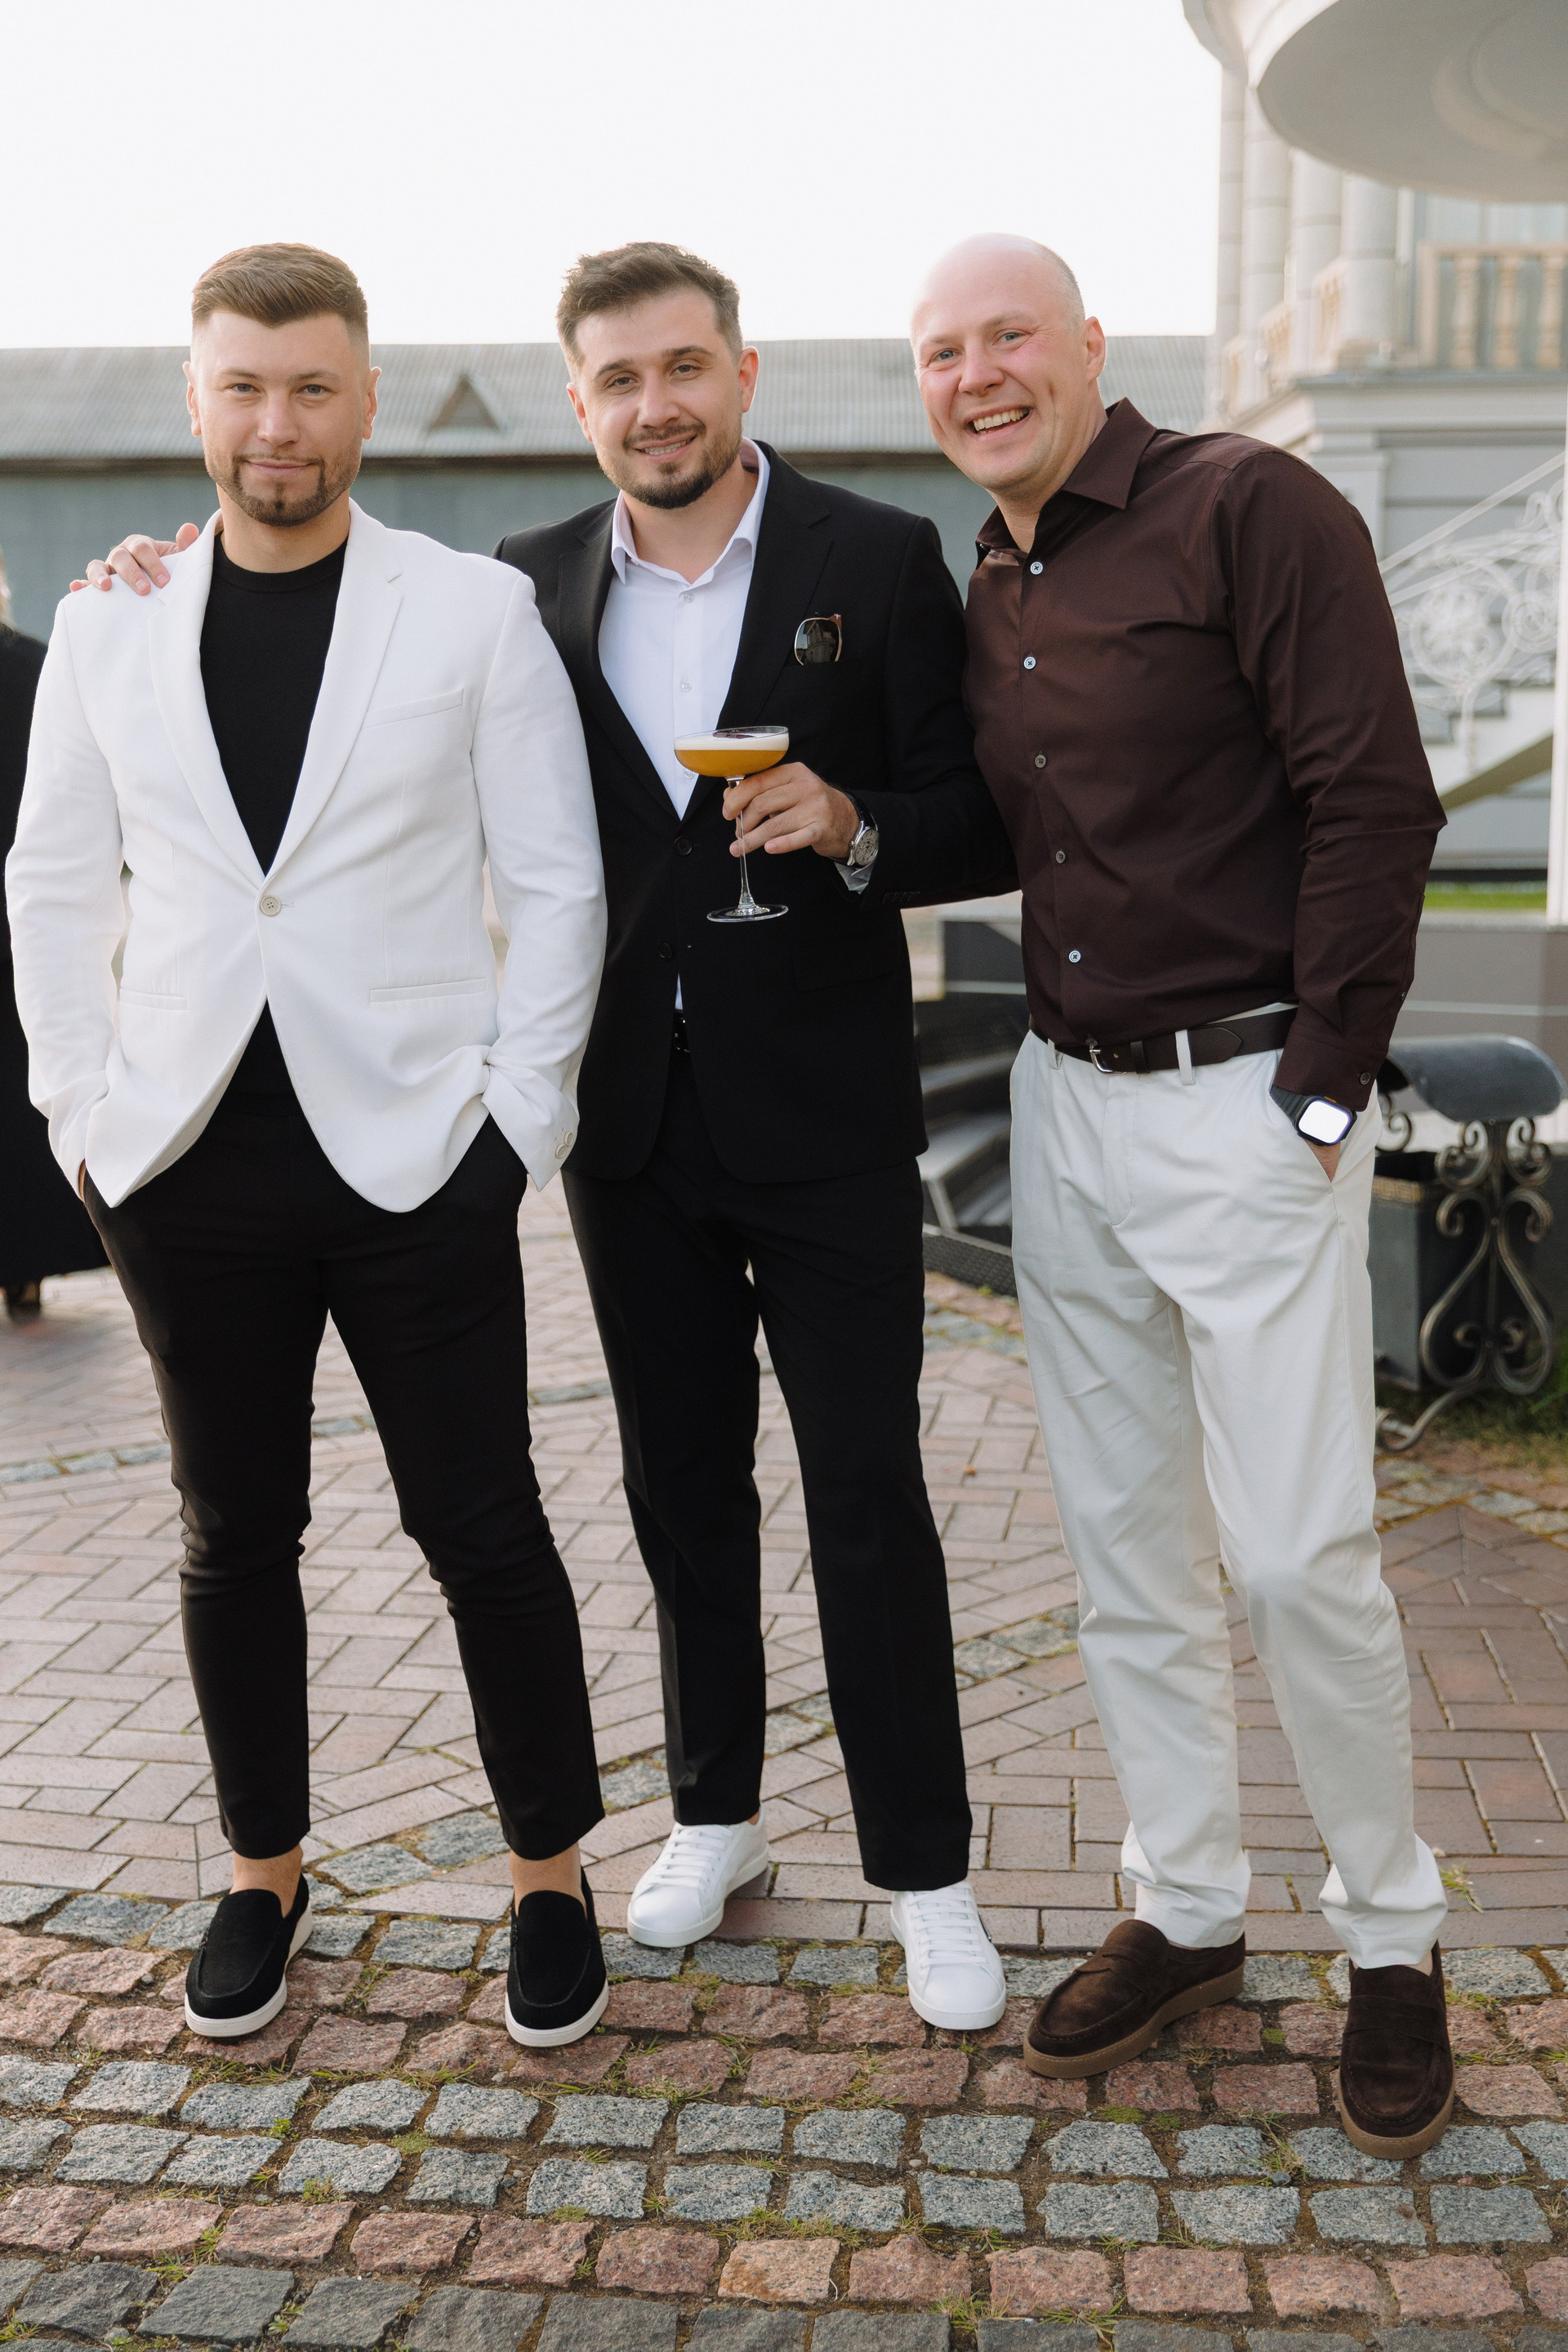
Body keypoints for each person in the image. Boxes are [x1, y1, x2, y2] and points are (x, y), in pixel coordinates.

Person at [80, 240, 1020, 2034]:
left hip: (824, 1112)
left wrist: (856, 824)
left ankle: (929, 1876)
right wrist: (155, 568)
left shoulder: (876, 556)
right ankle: (717, 1816)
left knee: (867, 1494)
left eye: (685, 367)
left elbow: (981, 814)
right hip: (627, 1122)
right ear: (579, 404)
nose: (656, 405)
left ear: (743, 374)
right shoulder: (526, 584)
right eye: (620, 380)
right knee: (678, 1489)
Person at [9, 243, 612, 2053]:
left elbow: (559, 883)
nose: (278, 423)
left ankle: (549, 1874)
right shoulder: (110, 622)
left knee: (484, 1525)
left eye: (313, 387)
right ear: (198, 402)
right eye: (245, 388)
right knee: (232, 1535)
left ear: (365, 399)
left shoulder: (470, 614)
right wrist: (81, 1120)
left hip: (420, 1158)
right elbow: (52, 883)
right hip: (185, 1165)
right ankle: (261, 1870)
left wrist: (518, 1127)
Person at [911, 233, 1453, 2154]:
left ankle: (1392, 1937)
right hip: (1066, 1110)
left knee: (1299, 1555)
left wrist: (1319, 1090)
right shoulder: (992, 573)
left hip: (1247, 1103)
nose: (975, 375)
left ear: (1087, 346)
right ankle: (1191, 1903)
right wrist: (845, 826)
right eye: (941, 352)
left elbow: (1375, 795)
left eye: (1007, 337)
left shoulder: (1249, 506)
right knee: (1129, 1558)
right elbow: (1013, 819)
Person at [0, 550, 109, 1317]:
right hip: (24, 913)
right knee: (19, 1082)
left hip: (29, 902)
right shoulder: (38, 665)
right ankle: (27, 1266)